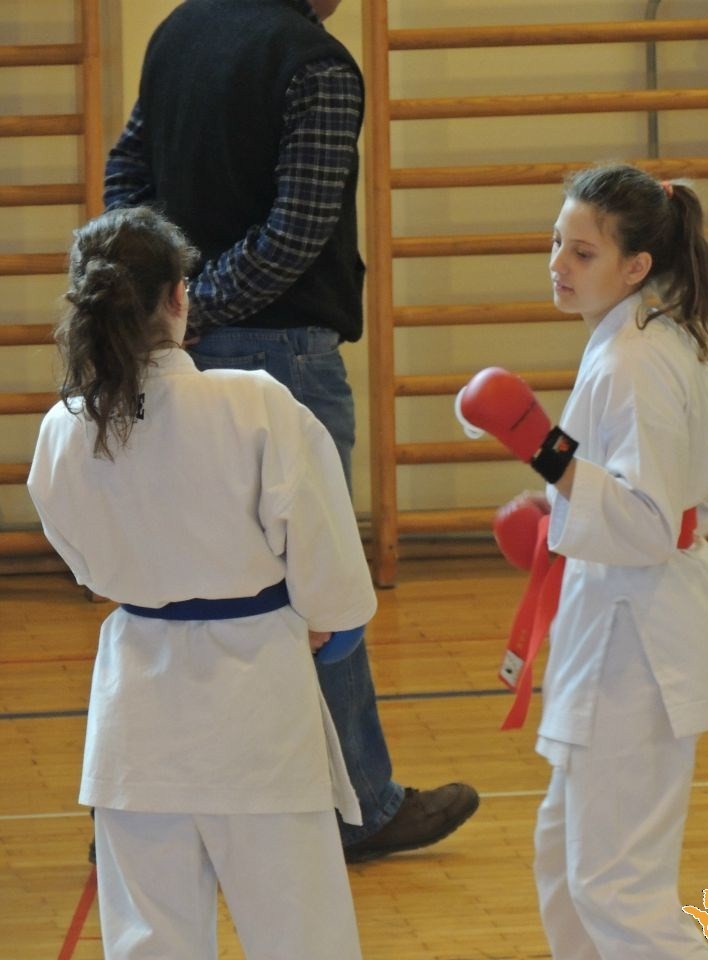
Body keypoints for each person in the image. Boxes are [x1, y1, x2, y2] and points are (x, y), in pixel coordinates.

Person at [101, 0, 479, 865]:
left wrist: (165, 298)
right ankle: (362, 807)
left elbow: (127, 172)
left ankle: (140, 811)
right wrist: (195, 306)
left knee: (177, 583)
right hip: (280, 360)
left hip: (174, 352)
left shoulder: (178, 29)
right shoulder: (317, 64)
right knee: (319, 582)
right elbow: (294, 235)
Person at [28, 206, 376, 957]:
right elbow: (333, 577)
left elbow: (84, 563)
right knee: (302, 939)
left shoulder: (65, 427)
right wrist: (328, 618)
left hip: (137, 718)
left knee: (151, 942)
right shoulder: (253, 403)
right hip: (258, 711)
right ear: (179, 295)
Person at [464, 164, 708, 958]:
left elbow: (651, 522)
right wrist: (560, 517)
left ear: (634, 265)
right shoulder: (636, 338)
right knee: (565, 866)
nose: (559, 263)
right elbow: (695, 497)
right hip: (620, 626)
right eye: (556, 242)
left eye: (582, 253)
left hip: (641, 646)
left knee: (615, 886)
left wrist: (545, 454)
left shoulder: (636, 362)